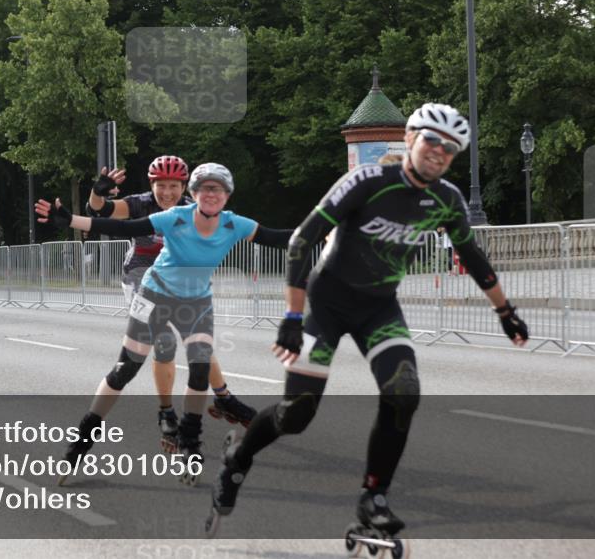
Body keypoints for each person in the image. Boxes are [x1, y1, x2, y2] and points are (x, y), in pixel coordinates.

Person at [207, 103, 530, 537]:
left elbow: (472, 256)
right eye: (432, 140)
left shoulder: (448, 199)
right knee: (297, 414)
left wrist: (505, 311)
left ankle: (373, 496)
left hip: (378, 308)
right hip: (326, 303)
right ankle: (239, 457)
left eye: (451, 148)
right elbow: (304, 238)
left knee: (404, 392)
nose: (439, 151)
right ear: (411, 139)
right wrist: (292, 314)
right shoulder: (368, 180)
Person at [35, 163, 293, 484]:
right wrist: (71, 220)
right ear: (194, 194)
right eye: (205, 189)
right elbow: (124, 228)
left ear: (227, 196)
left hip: (195, 302)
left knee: (199, 369)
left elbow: (280, 237)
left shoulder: (235, 224)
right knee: (125, 369)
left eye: (219, 190)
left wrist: (330, 227)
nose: (211, 196)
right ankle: (81, 442)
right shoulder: (176, 217)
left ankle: (190, 443)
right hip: (155, 295)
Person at [85, 156, 257, 452]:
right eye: (160, 186)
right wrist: (98, 192)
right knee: (164, 341)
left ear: (184, 186)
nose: (167, 193)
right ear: (151, 185)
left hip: (182, 281)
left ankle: (224, 398)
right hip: (141, 278)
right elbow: (99, 211)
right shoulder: (139, 204)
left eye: (174, 187)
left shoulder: (194, 207)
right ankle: (167, 411)